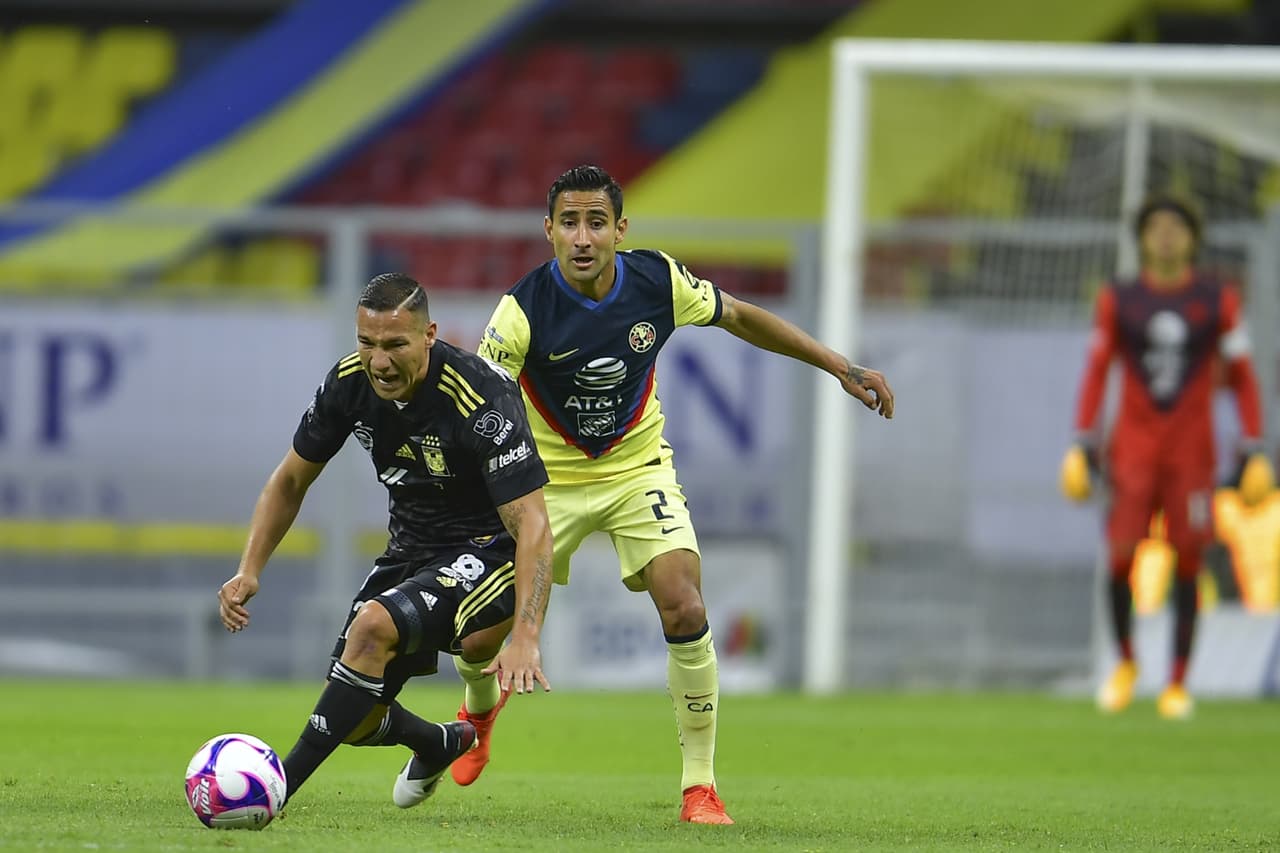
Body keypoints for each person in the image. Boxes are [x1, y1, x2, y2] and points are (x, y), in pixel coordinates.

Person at [471, 165, 894, 824]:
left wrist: (841, 365)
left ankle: (700, 786)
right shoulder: (518, 313)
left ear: (621, 229)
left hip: (637, 470)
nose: (584, 237)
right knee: (481, 629)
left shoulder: (656, 281)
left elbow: (742, 317)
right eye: (570, 223)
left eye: (597, 222)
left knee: (684, 600)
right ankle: (476, 716)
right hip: (546, 482)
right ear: (548, 230)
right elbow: (484, 414)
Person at [216, 272, 554, 807]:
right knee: (354, 715)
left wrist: (528, 633)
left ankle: (275, 789)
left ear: (429, 335)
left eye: (395, 344)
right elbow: (289, 480)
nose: (379, 361)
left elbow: (532, 524)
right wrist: (249, 567)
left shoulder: (480, 395)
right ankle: (439, 741)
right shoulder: (348, 384)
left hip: (489, 549)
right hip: (410, 551)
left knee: (375, 627)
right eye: (367, 343)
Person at [1060, 194, 1270, 720]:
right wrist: (1083, 440)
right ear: (1143, 238)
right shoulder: (1119, 300)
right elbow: (1097, 369)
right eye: (1157, 227)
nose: (1167, 236)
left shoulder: (1218, 301)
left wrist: (1253, 444)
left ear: (1193, 238)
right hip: (1132, 449)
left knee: (1188, 558)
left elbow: (1243, 379)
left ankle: (1178, 682)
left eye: (1177, 226)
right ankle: (1126, 664)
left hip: (1191, 454)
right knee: (1121, 556)